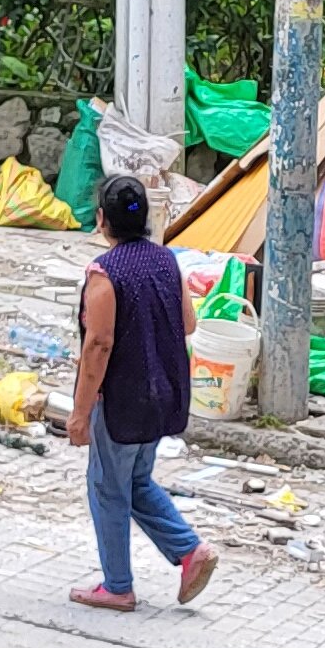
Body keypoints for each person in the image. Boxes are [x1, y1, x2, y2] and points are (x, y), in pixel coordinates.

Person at [68, 173, 219, 615]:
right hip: (165, 392)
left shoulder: (103, 275)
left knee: (107, 488)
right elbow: (188, 324)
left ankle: (117, 585)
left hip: (123, 399)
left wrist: (79, 414)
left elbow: (98, 347)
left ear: (102, 220)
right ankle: (191, 552)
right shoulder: (167, 261)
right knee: (134, 481)